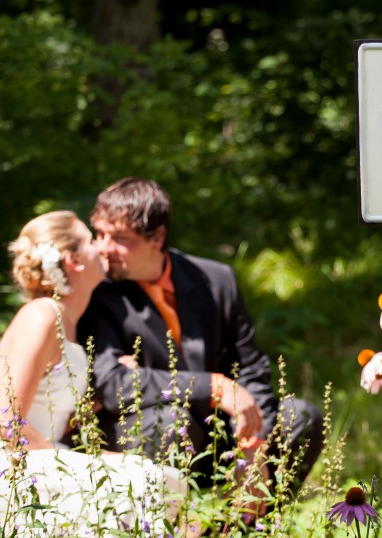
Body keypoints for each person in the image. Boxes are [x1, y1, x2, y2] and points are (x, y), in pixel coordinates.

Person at [79, 177, 323, 507]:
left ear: (157, 237)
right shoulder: (98, 292)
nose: (103, 247)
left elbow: (251, 368)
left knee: (301, 417)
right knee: (172, 424)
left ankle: (249, 525)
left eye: (120, 238)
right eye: (100, 234)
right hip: (146, 432)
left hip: (217, 434)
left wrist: (253, 443)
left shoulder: (215, 280)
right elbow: (112, 384)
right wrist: (214, 387)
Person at [0, 211, 184, 535]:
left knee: (165, 481)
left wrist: (93, 401)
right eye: (91, 239)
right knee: (149, 481)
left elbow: (49, 409)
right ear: (74, 261)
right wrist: (79, 460)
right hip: (6, 467)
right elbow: (7, 424)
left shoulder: (69, 322)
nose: (102, 246)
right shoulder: (40, 316)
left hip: (36, 456)